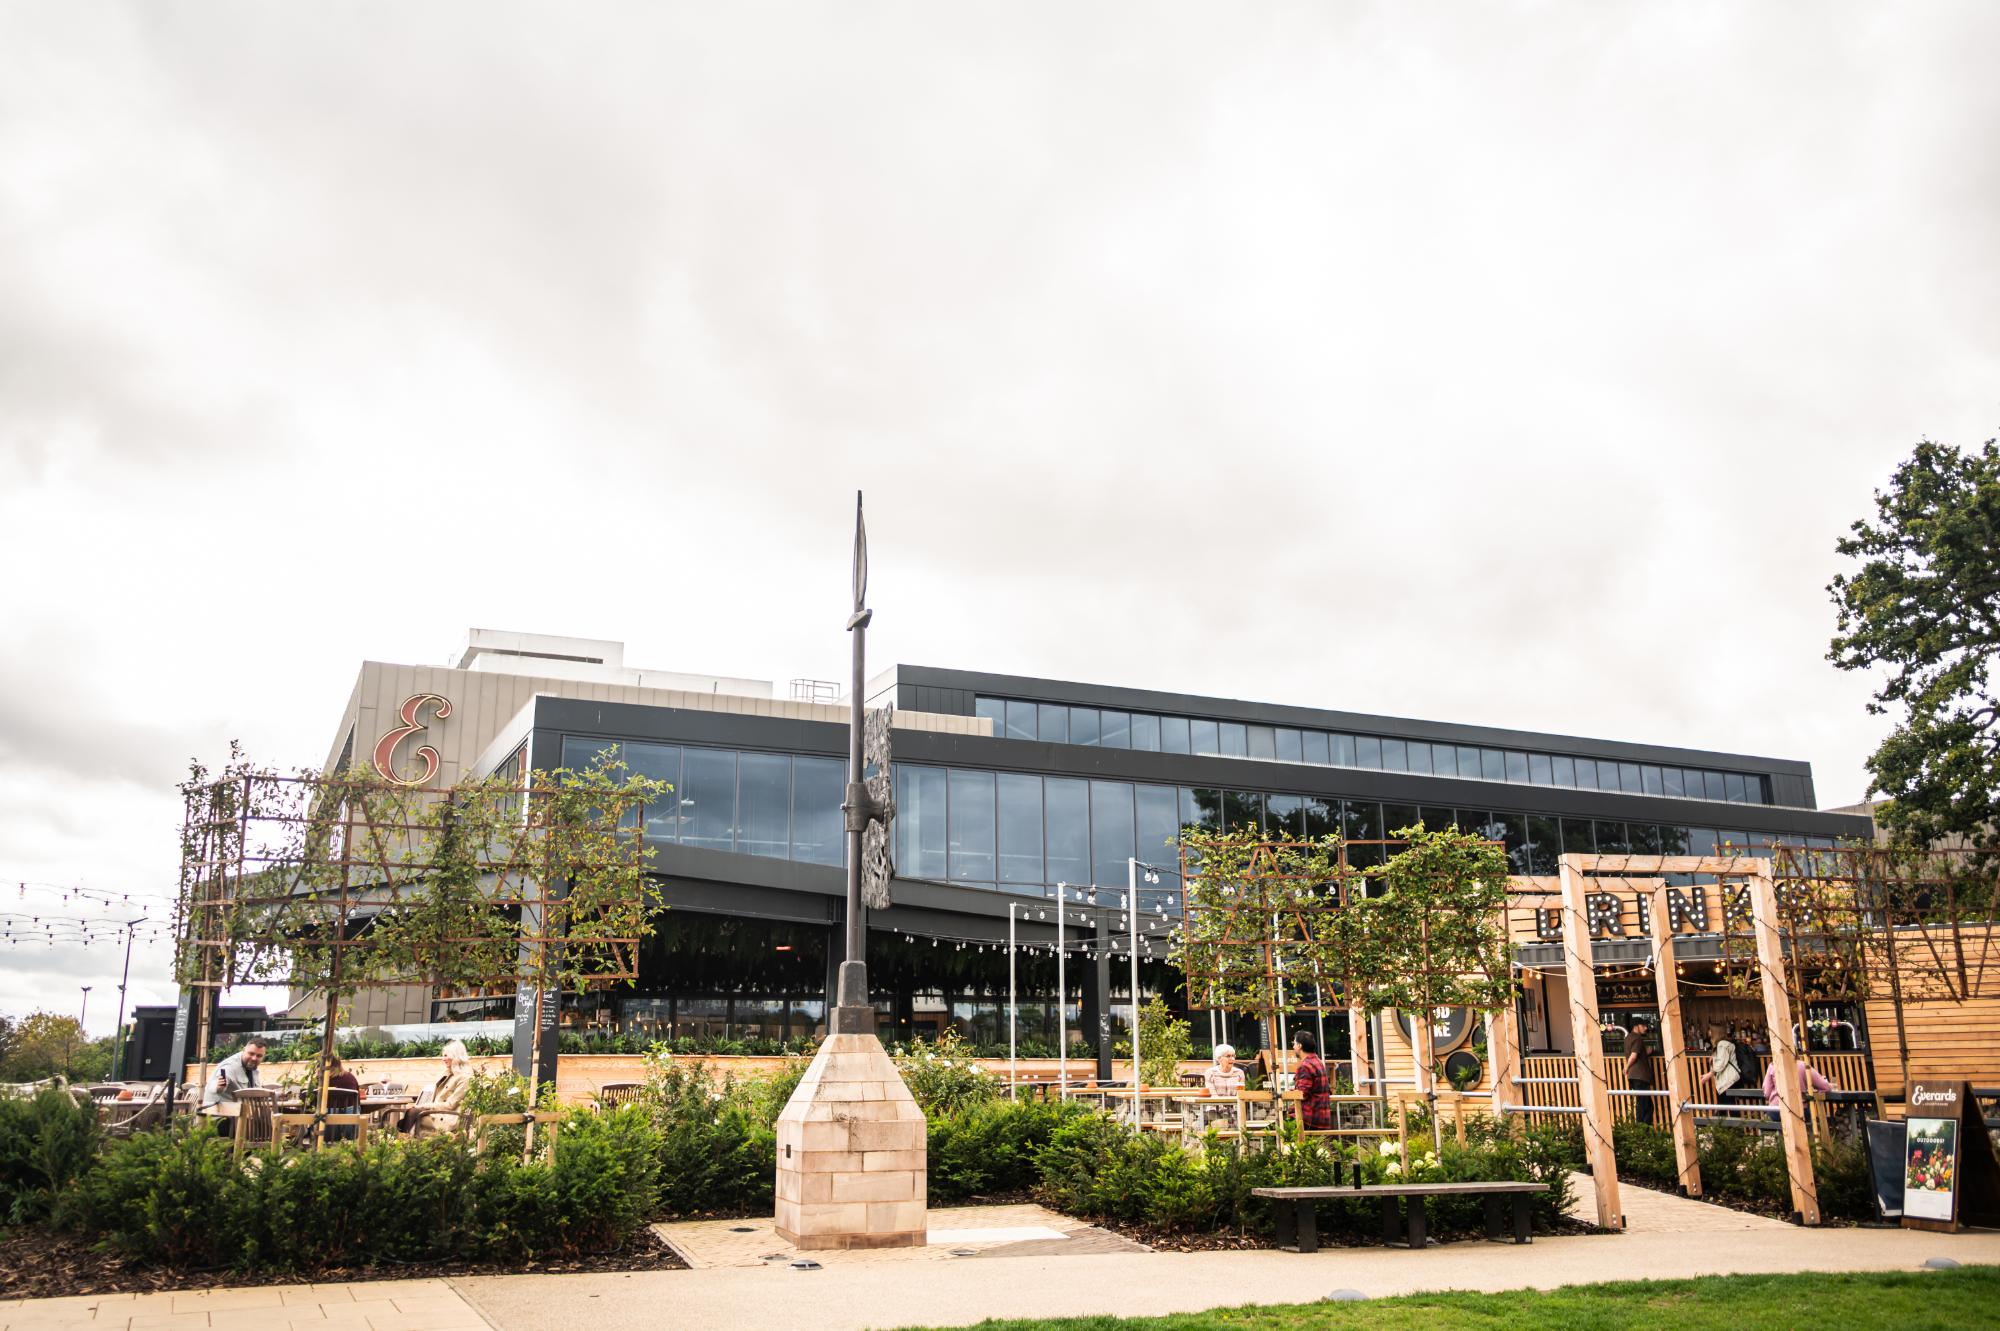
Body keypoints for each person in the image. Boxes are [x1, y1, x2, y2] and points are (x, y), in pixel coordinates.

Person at [400, 1039, 472, 1137]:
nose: (443, 1059)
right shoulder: (449, 1074)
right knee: (411, 1112)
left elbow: (451, 1105)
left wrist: (427, 1106)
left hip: (448, 1117)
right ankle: (403, 1139)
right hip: (437, 1113)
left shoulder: (464, 1078)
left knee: (412, 1113)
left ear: (456, 1056)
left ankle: (404, 1140)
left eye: (446, 1055)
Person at [200, 1038, 266, 1133]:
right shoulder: (230, 1066)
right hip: (219, 1120)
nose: (254, 1058)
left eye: (259, 1056)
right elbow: (216, 1084)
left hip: (237, 1117)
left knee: (267, 1122)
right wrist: (219, 1086)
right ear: (243, 1050)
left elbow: (255, 1092)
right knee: (264, 1127)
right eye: (251, 1053)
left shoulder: (252, 1068)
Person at [1291, 1030, 1331, 1132]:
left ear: (1299, 1046)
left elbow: (1301, 1094)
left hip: (1308, 1118)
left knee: (1271, 1133)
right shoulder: (1318, 1061)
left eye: (1294, 1043)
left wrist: (1285, 1094)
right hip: (1322, 1118)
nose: (1293, 1047)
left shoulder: (1305, 1066)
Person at [1762, 1053, 1835, 1106]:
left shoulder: (1772, 1066)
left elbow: (1766, 1093)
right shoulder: (1802, 1065)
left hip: (1775, 1110)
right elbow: (1825, 1086)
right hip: (1798, 1110)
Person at [1624, 1019, 1655, 1127]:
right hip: (1640, 1076)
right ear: (1636, 1027)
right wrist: (1626, 1067)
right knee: (1644, 1105)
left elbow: (1635, 1053)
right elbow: (1633, 1055)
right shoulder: (1637, 1038)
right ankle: (1642, 1132)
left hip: (1634, 1076)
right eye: (1644, 1025)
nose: (1646, 1028)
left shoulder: (1628, 1038)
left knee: (1644, 1104)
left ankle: (1643, 1131)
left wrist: (1646, 1052)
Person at [324, 1055, 362, 1142]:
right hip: (350, 1125)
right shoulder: (350, 1078)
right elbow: (358, 1101)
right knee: (354, 1109)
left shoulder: (321, 1080)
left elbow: (312, 1104)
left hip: (327, 1127)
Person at [1709, 1025, 1741, 1097]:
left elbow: (1720, 1064)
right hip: (1730, 1080)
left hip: (1728, 1081)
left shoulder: (1722, 1044)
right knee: (1730, 1106)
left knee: (1724, 1106)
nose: (1710, 1038)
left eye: (1711, 1035)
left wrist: (1709, 1074)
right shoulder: (1724, 1043)